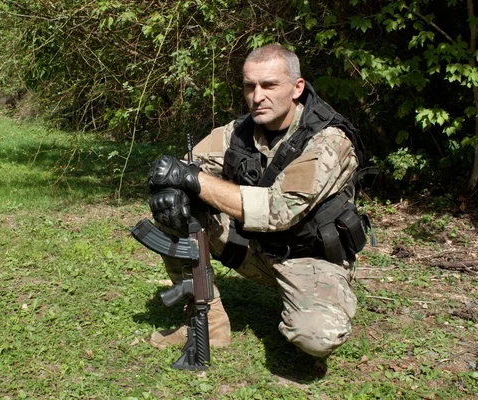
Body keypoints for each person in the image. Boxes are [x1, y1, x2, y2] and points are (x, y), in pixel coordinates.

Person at [146, 44, 369, 359]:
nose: (257, 95)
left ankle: (318, 300)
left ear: (297, 88)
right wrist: (172, 188)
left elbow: (277, 210)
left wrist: (193, 180)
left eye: (269, 85)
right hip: (256, 248)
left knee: (316, 337)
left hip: (311, 257)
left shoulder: (327, 141)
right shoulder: (238, 132)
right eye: (250, 86)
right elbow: (183, 167)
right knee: (173, 210)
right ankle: (208, 323)